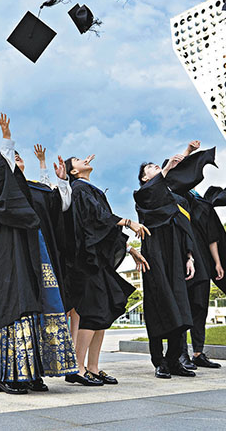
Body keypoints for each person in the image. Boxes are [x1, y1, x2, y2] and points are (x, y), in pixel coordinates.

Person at [0, 114, 79, 394]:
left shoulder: (35, 190)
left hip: (40, 259)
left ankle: (35, 373)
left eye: (18, 157)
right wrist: (6, 139)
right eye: (11, 158)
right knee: (19, 311)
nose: (16, 160)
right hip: (11, 258)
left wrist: (62, 182)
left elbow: (58, 209)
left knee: (43, 310)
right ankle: (9, 377)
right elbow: (4, 176)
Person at [64, 154, 149, 386]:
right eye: (79, 160)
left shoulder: (88, 187)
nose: (85, 160)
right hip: (86, 263)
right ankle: (77, 368)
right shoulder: (79, 188)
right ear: (73, 172)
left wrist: (130, 250)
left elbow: (104, 227)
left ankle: (92, 367)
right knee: (93, 312)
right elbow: (96, 219)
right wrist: (128, 222)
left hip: (97, 262)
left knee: (103, 313)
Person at [162, 141, 226, 371]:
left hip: (203, 260)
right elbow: (172, 171)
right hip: (182, 258)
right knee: (183, 307)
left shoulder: (201, 201)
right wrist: (187, 152)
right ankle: (181, 354)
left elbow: (212, 235)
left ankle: (198, 352)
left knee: (199, 307)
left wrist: (217, 262)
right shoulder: (174, 195)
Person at [135, 154, 199, 379]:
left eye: (156, 166)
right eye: (150, 168)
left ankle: (174, 360)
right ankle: (159, 361)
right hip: (154, 255)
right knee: (158, 305)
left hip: (176, 255)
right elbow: (152, 197)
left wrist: (189, 256)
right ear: (144, 178)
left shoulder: (176, 200)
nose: (155, 167)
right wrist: (167, 167)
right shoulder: (143, 195)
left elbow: (185, 229)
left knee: (180, 308)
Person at [34, 145, 80, 344]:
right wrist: (43, 164)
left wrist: (61, 179)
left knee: (67, 303)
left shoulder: (72, 191)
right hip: (44, 251)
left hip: (63, 251)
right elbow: (46, 194)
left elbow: (60, 201)